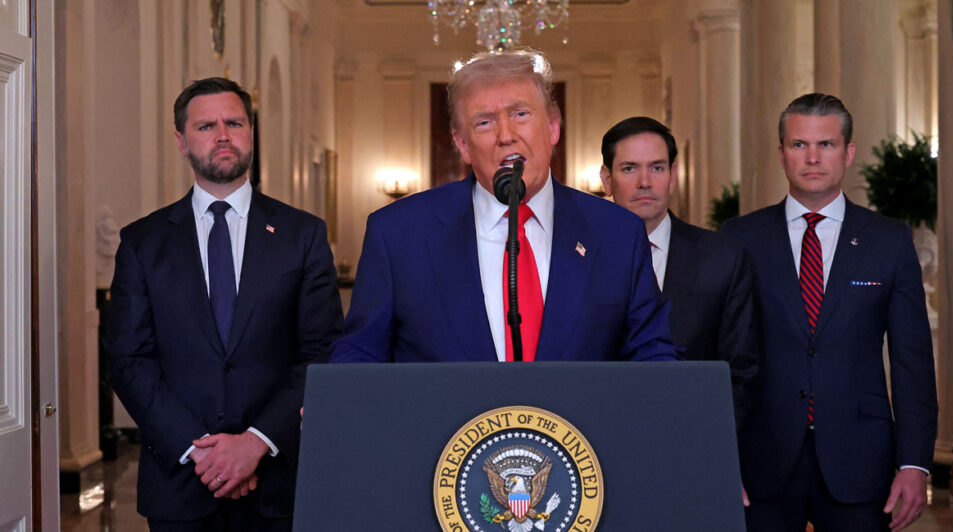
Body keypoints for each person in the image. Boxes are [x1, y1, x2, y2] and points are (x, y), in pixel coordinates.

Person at [330, 49, 678, 363]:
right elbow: (361, 351)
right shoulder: (398, 233)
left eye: (521, 114)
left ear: (553, 127)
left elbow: (651, 352)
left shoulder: (616, 232)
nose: (506, 134)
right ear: (463, 145)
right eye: (484, 122)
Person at [104, 77, 344, 531]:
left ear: (251, 132)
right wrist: (202, 452)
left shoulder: (302, 235)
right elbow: (128, 359)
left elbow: (322, 352)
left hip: (278, 483)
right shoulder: (143, 242)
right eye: (205, 125)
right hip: (180, 484)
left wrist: (255, 443)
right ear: (181, 141)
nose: (222, 135)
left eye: (234, 122)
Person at [721, 93, 937, 532]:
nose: (813, 157)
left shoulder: (888, 241)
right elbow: (721, 357)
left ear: (848, 153)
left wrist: (915, 463)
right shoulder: (739, 239)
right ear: (781, 154)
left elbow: (912, 361)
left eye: (827, 144)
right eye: (799, 145)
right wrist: (718, 455)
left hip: (860, 460)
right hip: (760, 458)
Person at [599, 116, 759, 430]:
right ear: (607, 179)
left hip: (695, 440)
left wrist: (715, 454)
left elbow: (742, 374)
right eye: (629, 168)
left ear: (673, 176)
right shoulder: (577, 258)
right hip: (596, 446)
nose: (645, 182)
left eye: (657, 168)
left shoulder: (722, 259)